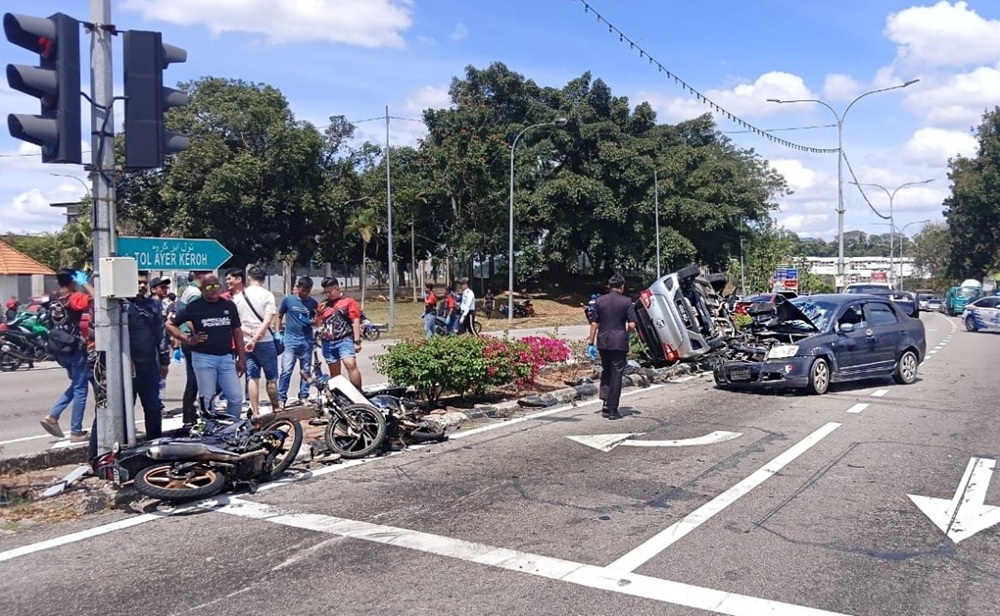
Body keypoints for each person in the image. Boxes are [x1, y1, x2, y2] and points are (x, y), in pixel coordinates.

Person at [166, 274, 246, 420]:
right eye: (209, 287)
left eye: (216, 286)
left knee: (235, 397)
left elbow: (237, 331)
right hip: (203, 358)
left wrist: (242, 358)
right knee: (207, 398)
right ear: (202, 289)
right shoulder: (194, 307)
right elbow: (169, 325)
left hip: (227, 357)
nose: (213, 290)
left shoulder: (228, 305)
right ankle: (209, 429)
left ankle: (231, 428)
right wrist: (188, 339)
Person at [39, 268, 93, 441]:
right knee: (80, 389)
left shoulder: (54, 298)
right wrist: (85, 283)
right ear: (72, 281)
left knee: (77, 384)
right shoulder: (74, 298)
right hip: (74, 349)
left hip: (59, 349)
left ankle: (53, 416)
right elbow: (97, 299)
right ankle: (76, 431)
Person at [227, 266, 279, 417]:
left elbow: (235, 323)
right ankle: (276, 408)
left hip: (245, 341)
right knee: (271, 377)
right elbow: (268, 320)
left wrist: (250, 334)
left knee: (252, 377)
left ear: (249, 278)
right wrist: (257, 336)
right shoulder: (267, 295)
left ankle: (255, 411)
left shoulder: (237, 297)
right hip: (265, 341)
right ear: (263, 279)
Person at [587, 274, 636, 421]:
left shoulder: (599, 301)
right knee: (617, 374)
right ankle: (613, 410)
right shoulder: (627, 301)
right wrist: (627, 334)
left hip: (603, 342)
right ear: (622, 286)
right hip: (619, 342)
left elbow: (594, 323)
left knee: (606, 370)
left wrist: (591, 342)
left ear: (609, 286)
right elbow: (632, 325)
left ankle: (605, 403)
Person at [128, 272, 170, 439]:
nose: (142, 286)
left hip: (150, 365)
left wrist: (164, 360)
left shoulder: (152, 305)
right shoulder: (121, 305)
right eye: (138, 282)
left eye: (144, 282)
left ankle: (154, 442)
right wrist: (126, 358)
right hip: (128, 367)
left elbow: (160, 334)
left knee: (153, 407)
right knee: (125, 408)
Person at [314, 277, 363, 389]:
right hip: (328, 341)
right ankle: (340, 394)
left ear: (337, 288)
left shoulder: (348, 301)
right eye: (325, 292)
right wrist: (318, 316)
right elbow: (317, 323)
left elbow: (355, 320)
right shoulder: (323, 304)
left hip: (344, 339)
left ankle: (358, 391)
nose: (328, 294)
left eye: (330, 291)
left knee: (350, 364)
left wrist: (357, 341)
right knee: (334, 372)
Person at [277, 276, 318, 408]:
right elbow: (279, 315)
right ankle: (281, 398)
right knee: (286, 370)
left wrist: (314, 322)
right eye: (303, 290)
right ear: (298, 287)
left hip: (306, 340)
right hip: (290, 340)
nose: (305, 293)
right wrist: (278, 332)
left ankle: (304, 396)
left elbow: (317, 320)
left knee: (305, 370)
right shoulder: (288, 301)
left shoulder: (313, 303)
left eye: (308, 291)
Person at [175, 271, 209, 426]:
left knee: (194, 379)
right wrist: (198, 336)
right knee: (195, 379)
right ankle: (190, 415)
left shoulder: (188, 290)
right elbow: (191, 319)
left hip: (187, 339)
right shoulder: (195, 293)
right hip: (192, 339)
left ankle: (190, 415)